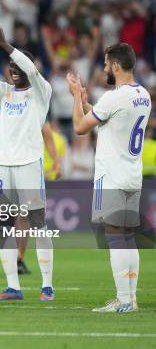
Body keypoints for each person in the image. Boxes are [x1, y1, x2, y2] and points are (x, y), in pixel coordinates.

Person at [66, 43, 151, 312]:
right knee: (127, 237)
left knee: (115, 237)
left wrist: (73, 99)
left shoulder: (114, 97)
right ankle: (131, 298)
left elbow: (81, 127)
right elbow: (107, 118)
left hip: (111, 176)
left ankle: (123, 301)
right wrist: (83, 100)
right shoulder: (143, 95)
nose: (103, 69)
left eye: (105, 64)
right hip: (132, 177)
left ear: (116, 66)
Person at [0, 20, 54, 302]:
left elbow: (31, 69)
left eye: (18, 67)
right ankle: (13, 287)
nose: (13, 71)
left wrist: (6, 45)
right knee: (4, 225)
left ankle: (47, 286)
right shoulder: (5, 93)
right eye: (11, 68)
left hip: (29, 164)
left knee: (37, 222)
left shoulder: (41, 93)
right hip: (3, 166)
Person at [0, 103, 62, 275]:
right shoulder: (1, 103)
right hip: (10, 164)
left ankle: (18, 258)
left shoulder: (33, 101)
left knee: (22, 214)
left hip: (23, 163)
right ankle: (14, 259)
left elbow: (47, 133)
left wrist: (56, 161)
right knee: (12, 215)